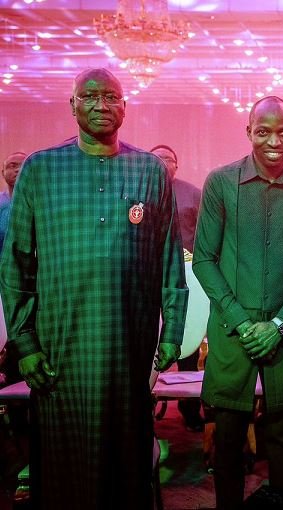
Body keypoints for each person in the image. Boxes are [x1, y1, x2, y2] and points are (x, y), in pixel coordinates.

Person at [0, 68, 188, 510]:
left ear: (125, 106)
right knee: (66, 467)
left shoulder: (149, 171)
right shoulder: (41, 169)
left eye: (111, 97)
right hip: (60, 352)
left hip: (129, 349)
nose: (101, 105)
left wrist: (172, 335)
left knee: (128, 466)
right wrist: (25, 345)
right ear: (72, 106)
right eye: (89, 97)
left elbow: (169, 262)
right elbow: (16, 266)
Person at [193, 96, 283, 509]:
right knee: (229, 436)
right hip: (234, 331)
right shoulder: (221, 182)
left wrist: (281, 323)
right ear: (248, 131)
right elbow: (203, 260)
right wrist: (241, 320)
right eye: (264, 130)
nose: (274, 140)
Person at [149, 143, 205, 432]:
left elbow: (204, 234)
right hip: (147, 280)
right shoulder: (139, 188)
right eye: (156, 158)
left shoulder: (193, 193)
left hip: (187, 281)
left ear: (176, 164)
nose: (162, 162)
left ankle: (189, 408)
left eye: (168, 158)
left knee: (188, 346)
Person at [0, 152, 26, 252]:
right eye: (12, 165)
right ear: (3, 173)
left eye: (24, 166)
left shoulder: (41, 203)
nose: (18, 170)